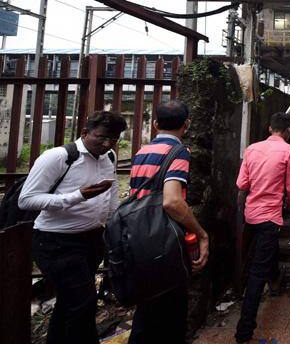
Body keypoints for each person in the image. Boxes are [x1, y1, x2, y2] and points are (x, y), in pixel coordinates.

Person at [20, 111, 127, 344]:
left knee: (70, 302)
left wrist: (113, 223)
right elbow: (26, 199)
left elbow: (109, 195)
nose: (107, 144)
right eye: (102, 137)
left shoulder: (109, 157)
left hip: (92, 240)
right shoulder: (58, 157)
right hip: (55, 242)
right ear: (85, 132)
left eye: (114, 139)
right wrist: (76, 196)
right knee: (84, 301)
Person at [127, 100, 209, 344]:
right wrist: (201, 233)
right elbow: (172, 201)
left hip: (138, 236)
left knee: (146, 311)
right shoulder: (179, 153)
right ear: (187, 125)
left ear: (154, 124)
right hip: (163, 240)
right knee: (172, 313)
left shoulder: (142, 152)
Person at [235, 112, 290, 344]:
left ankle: (275, 278)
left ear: (269, 129)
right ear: (289, 129)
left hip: (250, 214)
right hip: (270, 217)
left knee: (262, 258)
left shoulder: (252, 149)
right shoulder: (289, 151)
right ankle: (244, 332)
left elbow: (242, 183)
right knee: (256, 273)